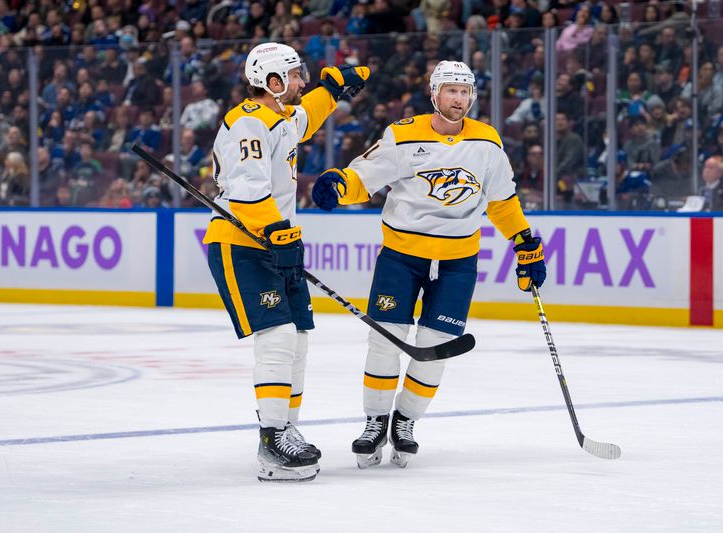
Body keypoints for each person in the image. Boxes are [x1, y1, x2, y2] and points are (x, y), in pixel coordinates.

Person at [309, 60, 547, 469]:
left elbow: (502, 201)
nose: (458, 98)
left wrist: (524, 243)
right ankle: (375, 421)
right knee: (385, 340)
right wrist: (339, 185)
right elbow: (365, 175)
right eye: (451, 90)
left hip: (458, 262)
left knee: (434, 350)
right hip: (401, 258)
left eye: (465, 91)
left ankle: (405, 422)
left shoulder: (488, 142)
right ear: (434, 94)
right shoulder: (403, 135)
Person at [200, 42, 369, 482]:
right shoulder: (249, 126)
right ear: (272, 83)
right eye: (295, 76)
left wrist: (333, 90)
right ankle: (272, 436)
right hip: (242, 243)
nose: (302, 82)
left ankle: (286, 428)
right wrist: (280, 234)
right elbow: (247, 191)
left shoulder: (279, 117)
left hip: (276, 243)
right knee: (276, 336)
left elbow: (305, 118)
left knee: (297, 338)